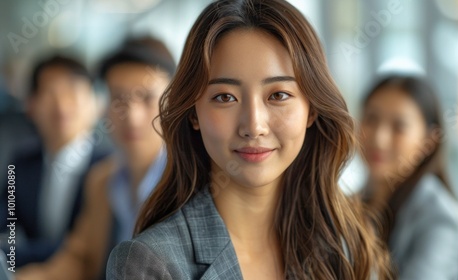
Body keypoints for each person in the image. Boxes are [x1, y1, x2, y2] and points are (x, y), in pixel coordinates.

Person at [107, 1, 393, 279]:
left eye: (278, 95)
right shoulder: (150, 263)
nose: (254, 126)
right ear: (193, 114)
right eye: (225, 97)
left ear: (312, 110)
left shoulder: (346, 244)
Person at [15, 37, 175, 280]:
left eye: (146, 98)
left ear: (172, 102)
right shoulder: (102, 180)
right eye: (118, 98)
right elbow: (79, 258)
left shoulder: (191, 180)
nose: (132, 116)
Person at [0, 55, 111, 266]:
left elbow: (87, 247)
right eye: (50, 93)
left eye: (72, 92)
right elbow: (7, 216)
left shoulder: (108, 167)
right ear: (30, 106)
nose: (61, 105)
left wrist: (10, 254)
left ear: (95, 104)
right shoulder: (22, 162)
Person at [359, 75, 458, 279]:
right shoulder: (350, 203)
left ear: (429, 141)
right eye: (371, 119)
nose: (379, 139)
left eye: (399, 126)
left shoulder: (440, 217)